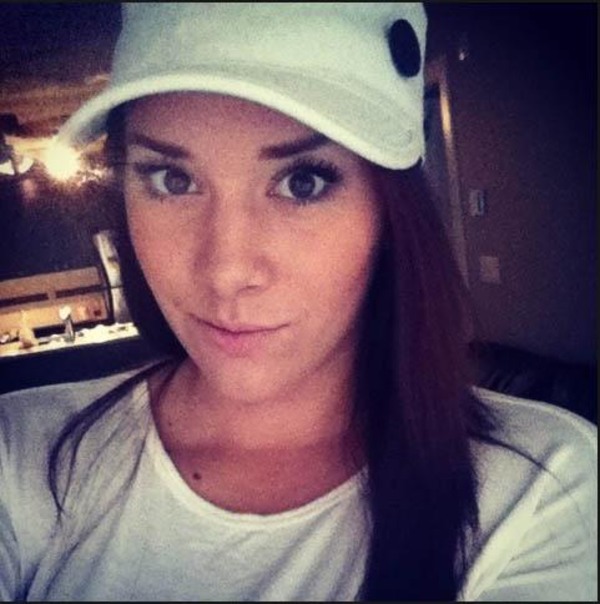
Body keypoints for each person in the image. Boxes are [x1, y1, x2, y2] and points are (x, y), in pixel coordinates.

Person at [0, 3, 596, 601]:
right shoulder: (21, 455)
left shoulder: (539, 489)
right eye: (171, 180)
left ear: (389, 215)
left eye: (301, 183)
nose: (227, 271)